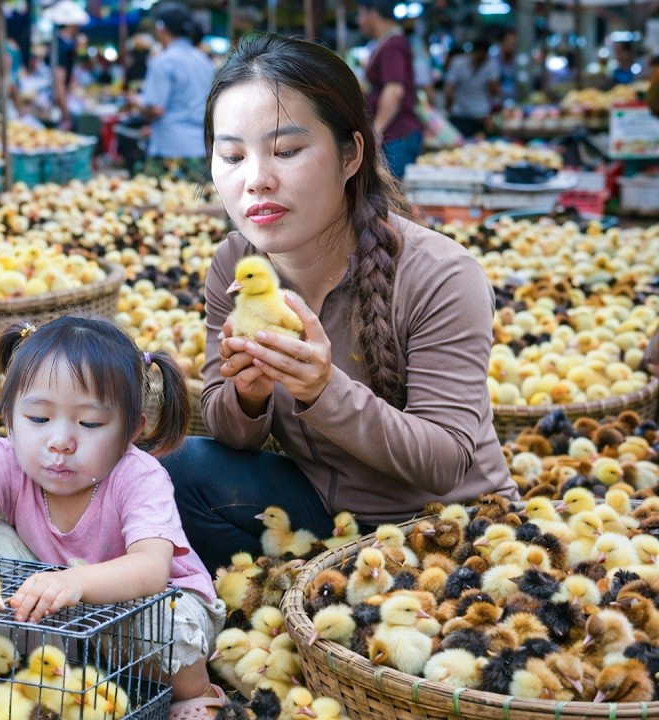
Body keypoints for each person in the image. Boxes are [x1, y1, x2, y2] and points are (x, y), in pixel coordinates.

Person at [161, 34, 518, 575]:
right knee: (173, 468)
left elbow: (445, 464)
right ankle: (278, 606)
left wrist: (323, 390)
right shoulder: (237, 264)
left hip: (444, 530)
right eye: (232, 156)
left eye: (286, 151)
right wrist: (248, 396)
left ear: (351, 154)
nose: (256, 179)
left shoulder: (440, 273)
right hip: (326, 516)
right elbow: (230, 433)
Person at [0, 316, 228, 720]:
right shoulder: (8, 458)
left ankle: (196, 692)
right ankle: (56, 674)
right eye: (39, 419)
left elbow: (152, 569)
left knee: (160, 623)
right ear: (9, 416)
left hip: (151, 606)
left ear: (132, 430)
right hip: (63, 612)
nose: (60, 441)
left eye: (90, 423)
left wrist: (75, 580)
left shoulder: (138, 476)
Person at [138, 2, 214, 183]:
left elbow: (156, 109)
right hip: (200, 148)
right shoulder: (203, 60)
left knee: (165, 206)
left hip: (169, 149)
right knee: (197, 207)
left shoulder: (163, 61)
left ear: (161, 28)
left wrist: (138, 105)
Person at [356, 0, 422, 178]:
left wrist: (376, 132)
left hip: (397, 135)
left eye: (361, 14)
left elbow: (394, 91)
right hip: (396, 135)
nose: (359, 21)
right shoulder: (387, 43)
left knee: (393, 197)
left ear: (373, 14)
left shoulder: (393, 44)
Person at [444, 39, 500, 139]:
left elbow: (495, 92)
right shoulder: (458, 63)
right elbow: (449, 90)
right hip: (460, 114)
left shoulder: (490, 65)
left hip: (481, 116)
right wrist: (449, 109)